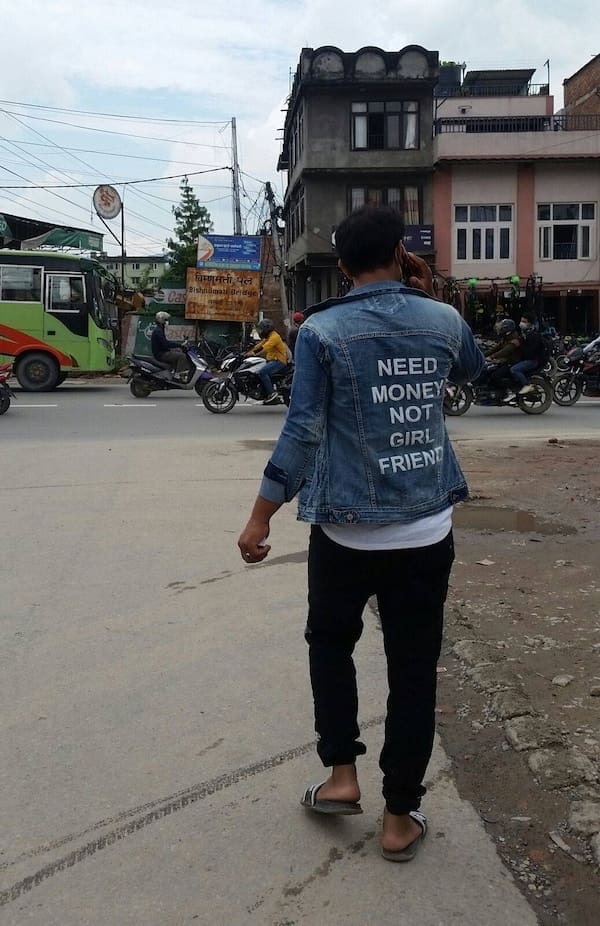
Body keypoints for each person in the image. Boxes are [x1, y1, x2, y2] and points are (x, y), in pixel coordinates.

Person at [238, 206, 484, 862]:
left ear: (342, 266)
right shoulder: (444, 321)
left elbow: (303, 429)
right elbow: (472, 371)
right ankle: (400, 816)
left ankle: (342, 775)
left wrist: (262, 513)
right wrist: (429, 301)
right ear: (401, 251)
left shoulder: (322, 330)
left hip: (345, 533)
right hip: (427, 530)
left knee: (329, 644)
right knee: (413, 672)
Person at [246, 319, 288, 404]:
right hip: (271, 360)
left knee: (262, 372)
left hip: (279, 361)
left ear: (266, 329)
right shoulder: (269, 336)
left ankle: (272, 393)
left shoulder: (274, 337)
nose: (260, 331)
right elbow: (260, 344)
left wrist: (253, 353)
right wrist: (248, 351)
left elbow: (265, 347)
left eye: (261, 329)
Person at [484, 318, 522, 399]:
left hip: (511, 363)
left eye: (502, 327)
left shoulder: (514, 340)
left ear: (507, 329)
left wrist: (492, 357)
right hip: (504, 361)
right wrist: (482, 355)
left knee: (495, 376)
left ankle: (508, 391)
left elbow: (504, 351)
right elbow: (495, 348)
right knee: (488, 371)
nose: (500, 329)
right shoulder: (505, 338)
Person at [510, 313, 544, 395]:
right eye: (521, 321)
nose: (521, 323)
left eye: (524, 321)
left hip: (532, 360)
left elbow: (530, 350)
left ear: (529, 323)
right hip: (526, 359)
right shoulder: (525, 333)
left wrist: (519, 345)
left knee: (514, 369)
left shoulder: (534, 335)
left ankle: (527, 385)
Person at [150, 312, 188, 377]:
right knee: (182, 356)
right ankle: (177, 375)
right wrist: (180, 345)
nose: (167, 322)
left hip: (162, 352)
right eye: (166, 320)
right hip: (161, 354)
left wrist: (178, 347)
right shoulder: (158, 331)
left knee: (178, 351)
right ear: (162, 320)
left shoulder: (160, 329)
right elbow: (166, 344)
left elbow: (165, 344)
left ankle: (173, 371)